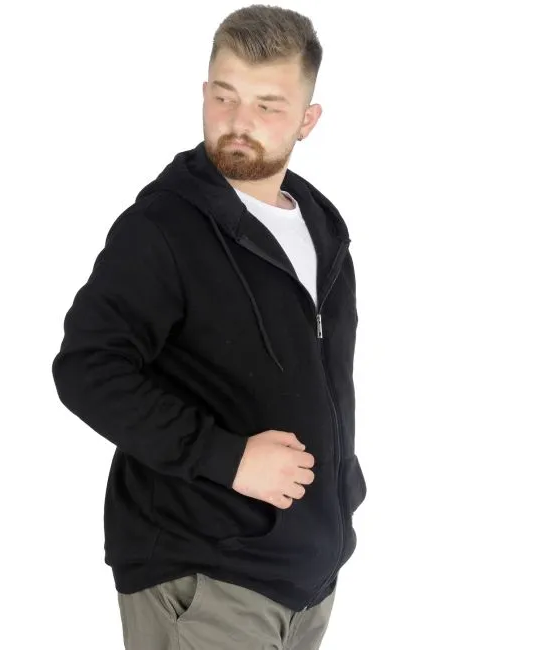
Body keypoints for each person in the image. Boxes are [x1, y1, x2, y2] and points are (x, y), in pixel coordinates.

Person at [51, 5, 367, 649]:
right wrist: (228, 460)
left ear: (308, 119)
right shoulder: (163, 228)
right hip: (204, 577)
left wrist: (342, 488)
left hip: (305, 575)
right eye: (224, 97)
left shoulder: (321, 227)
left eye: (268, 106)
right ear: (203, 93)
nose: (239, 122)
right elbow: (87, 370)